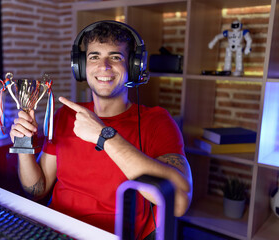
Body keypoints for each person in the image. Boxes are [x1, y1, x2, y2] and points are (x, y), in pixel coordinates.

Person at [10, 20, 192, 240]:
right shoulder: (65, 116)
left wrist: (104, 135)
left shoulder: (157, 121)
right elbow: (37, 190)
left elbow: (179, 203)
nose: (104, 66)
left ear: (134, 67)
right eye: (94, 56)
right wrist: (23, 144)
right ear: (80, 66)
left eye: (116, 57)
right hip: (55, 233)